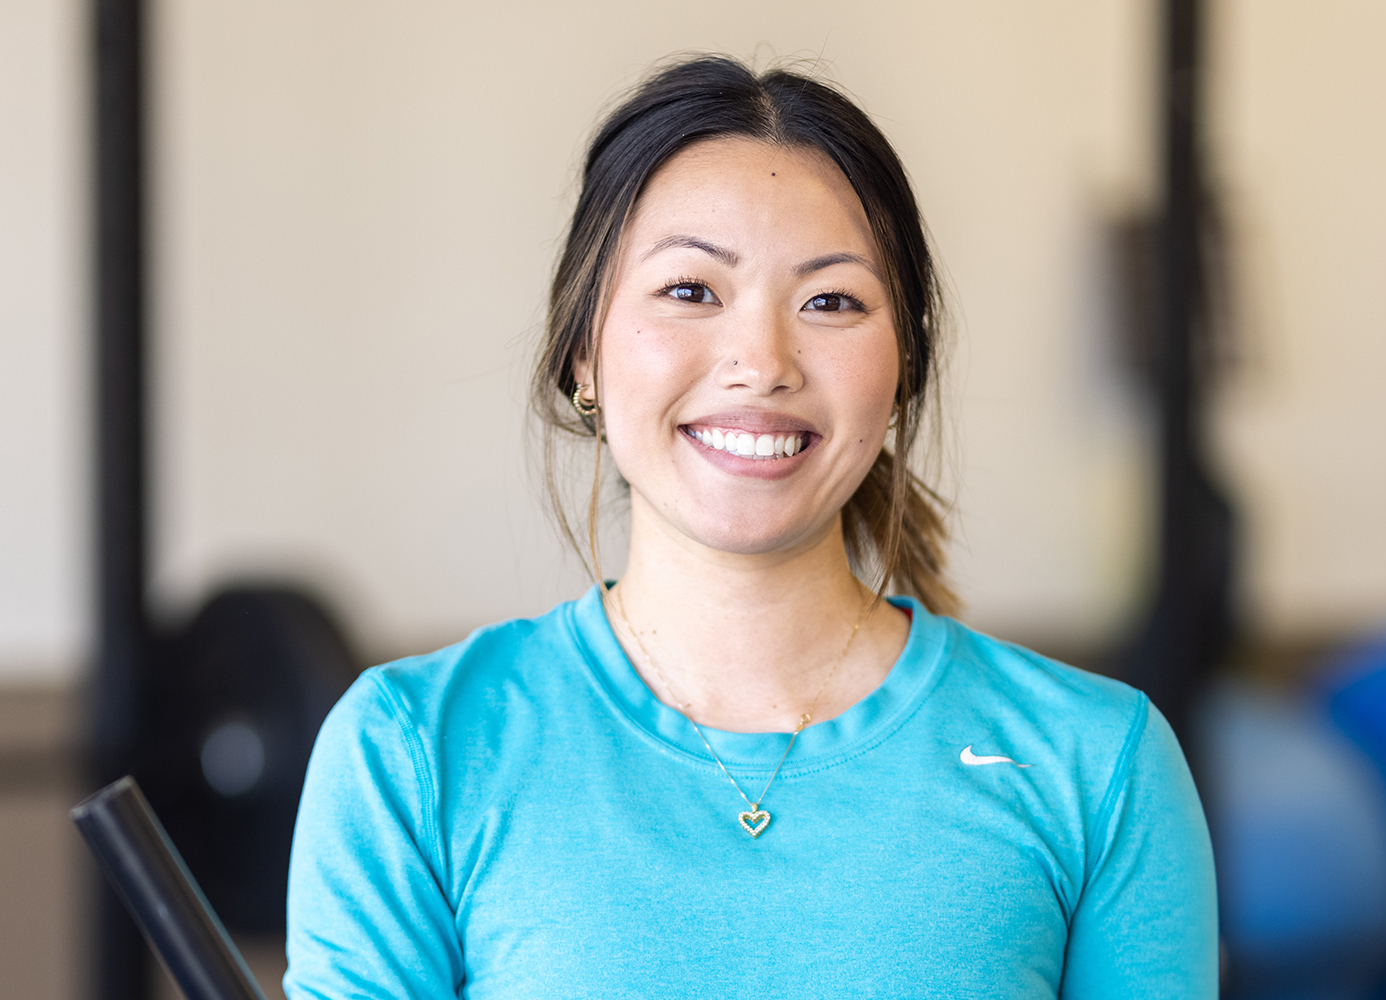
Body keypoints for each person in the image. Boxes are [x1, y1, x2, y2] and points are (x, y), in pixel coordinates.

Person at [283, 55, 1217, 999]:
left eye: (831, 301)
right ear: (584, 354)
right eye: (691, 291)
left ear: (902, 371)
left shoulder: (1098, 763)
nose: (761, 362)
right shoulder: (410, 752)